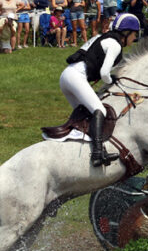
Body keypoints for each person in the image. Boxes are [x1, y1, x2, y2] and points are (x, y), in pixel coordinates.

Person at [60, 12, 139, 167]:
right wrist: (112, 80)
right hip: (76, 77)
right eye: (134, 34)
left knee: (85, 115)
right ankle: (97, 154)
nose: (135, 38)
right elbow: (104, 73)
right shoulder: (115, 45)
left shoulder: (101, 37)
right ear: (126, 32)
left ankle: (75, 147)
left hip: (66, 76)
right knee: (100, 110)